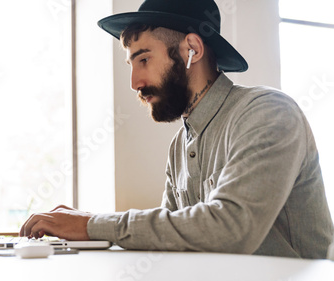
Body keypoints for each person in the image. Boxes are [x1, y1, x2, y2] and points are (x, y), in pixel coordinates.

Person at [20, 0, 334, 259]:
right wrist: (77, 235)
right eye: (131, 65)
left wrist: (91, 225)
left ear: (192, 50)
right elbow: (172, 236)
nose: (135, 83)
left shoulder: (270, 112)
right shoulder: (179, 146)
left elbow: (230, 230)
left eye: (143, 59)